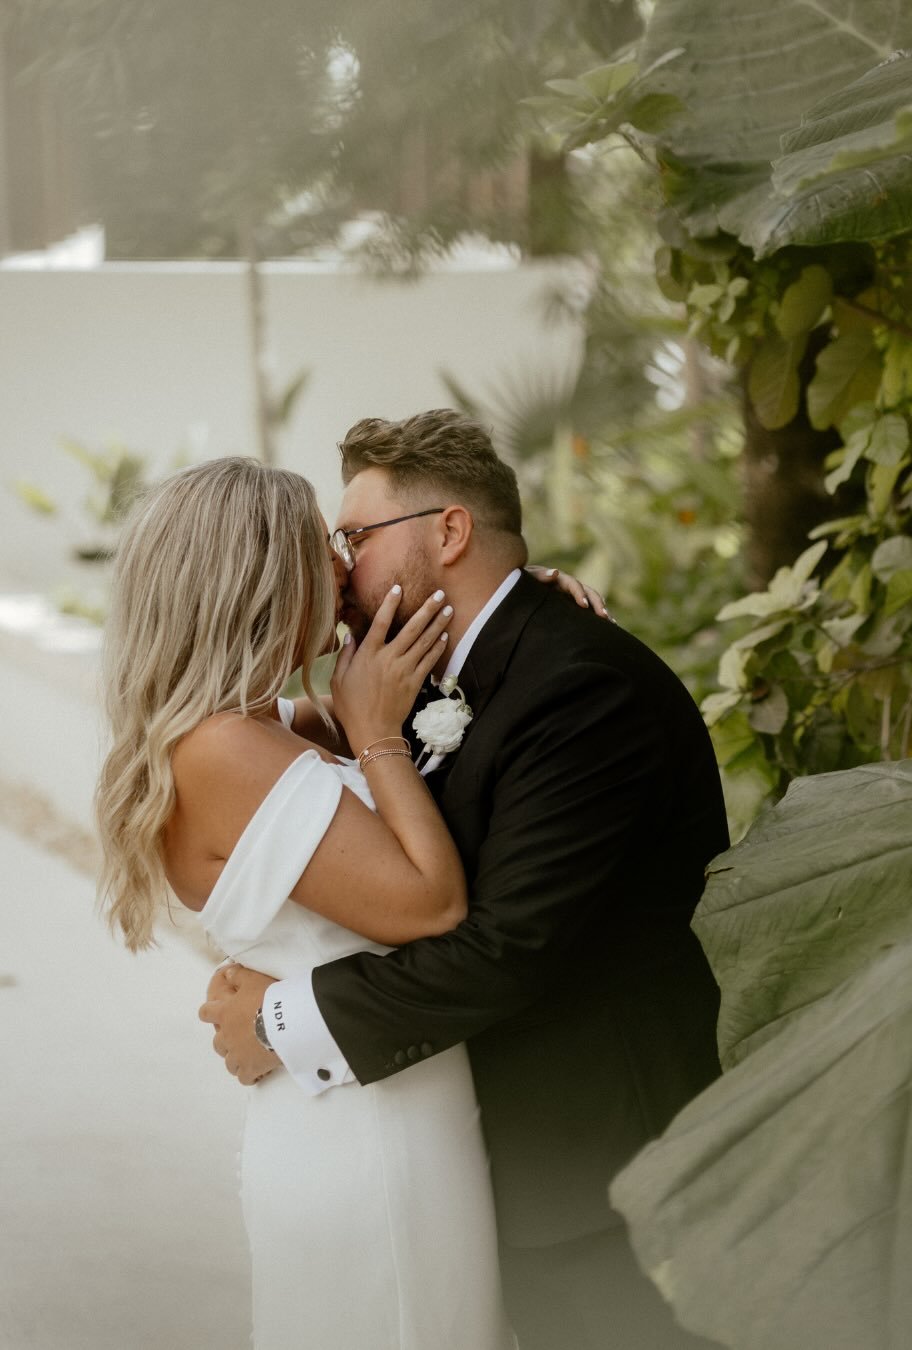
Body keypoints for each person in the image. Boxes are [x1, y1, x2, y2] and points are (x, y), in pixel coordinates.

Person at [204, 410, 730, 1350]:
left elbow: (505, 945)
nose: (339, 571)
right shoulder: (429, 672)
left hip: (598, 1175)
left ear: (449, 532)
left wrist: (282, 1020)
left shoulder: (580, 684)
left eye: (354, 539)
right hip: (488, 1157)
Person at [95, 456, 538, 1349]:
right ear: (260, 576)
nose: (343, 565)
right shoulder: (224, 749)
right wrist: (375, 738)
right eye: (322, 547)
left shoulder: (272, 725)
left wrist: (524, 603)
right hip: (368, 1135)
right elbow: (429, 904)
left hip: (378, 1099)